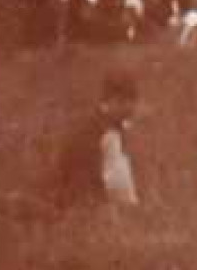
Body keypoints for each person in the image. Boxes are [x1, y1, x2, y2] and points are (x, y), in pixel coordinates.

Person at [54, 73, 141, 209]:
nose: (130, 109)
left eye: (132, 102)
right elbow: (88, 184)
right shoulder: (97, 132)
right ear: (109, 101)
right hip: (86, 209)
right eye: (123, 102)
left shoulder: (112, 127)